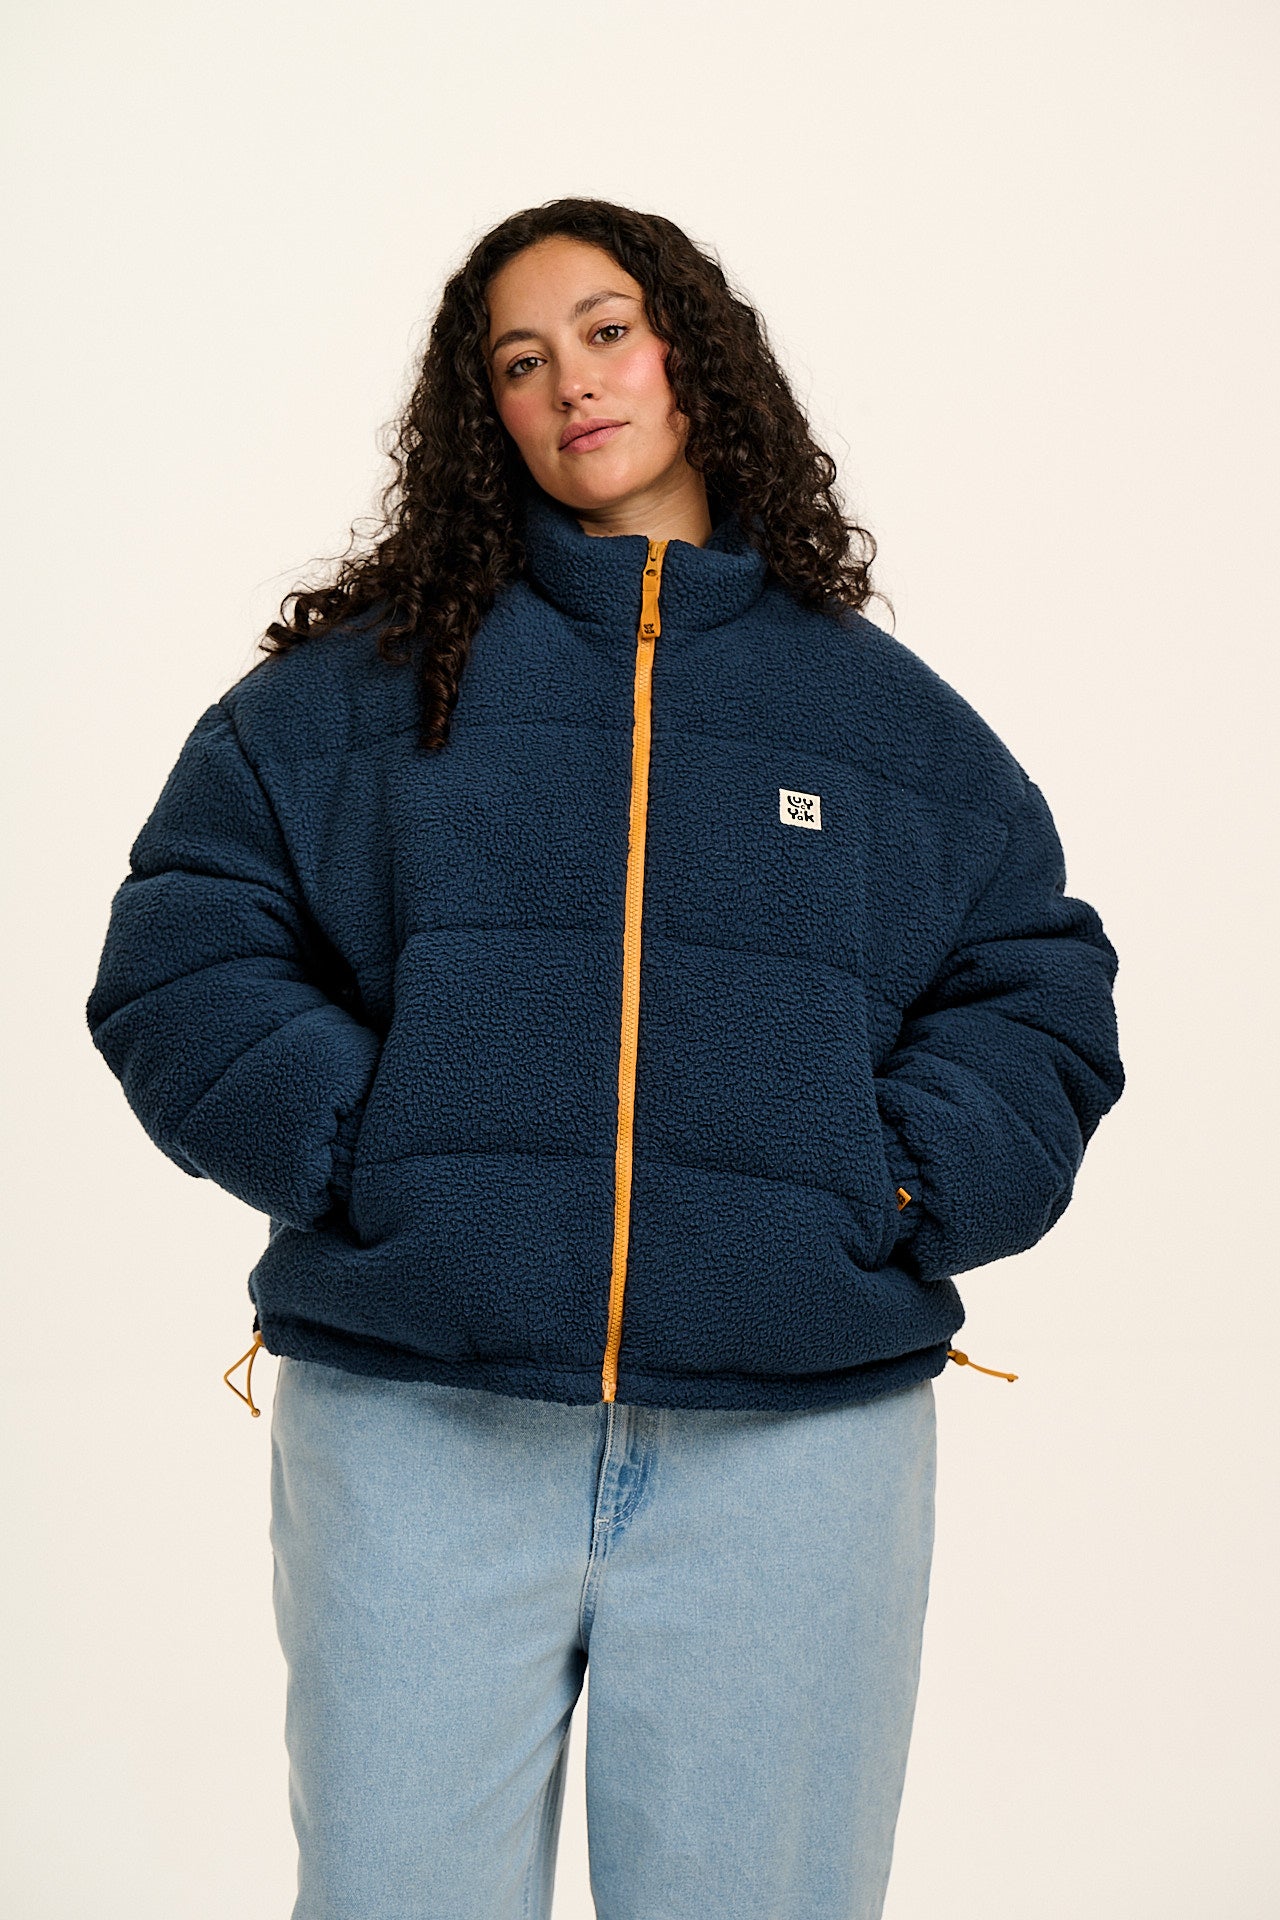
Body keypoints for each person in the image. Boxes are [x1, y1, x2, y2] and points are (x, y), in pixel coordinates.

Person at [85, 197, 1125, 1919]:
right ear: (481, 412)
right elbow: (183, 954)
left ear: (690, 353)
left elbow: (1033, 988)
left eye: (606, 330)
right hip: (419, 1428)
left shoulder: (881, 723)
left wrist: (891, 1187)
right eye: (520, 360)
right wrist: (372, 1150)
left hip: (795, 1449)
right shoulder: (360, 699)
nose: (571, 380)